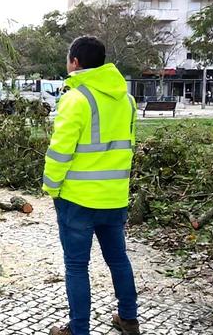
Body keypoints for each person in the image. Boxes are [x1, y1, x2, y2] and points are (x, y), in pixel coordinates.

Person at [43, 36, 140, 335]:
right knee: (118, 259)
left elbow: (60, 151)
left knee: (76, 266)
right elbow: (128, 147)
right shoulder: (127, 100)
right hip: (114, 198)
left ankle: (79, 329)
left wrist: (51, 187)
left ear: (75, 62)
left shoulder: (75, 98)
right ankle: (128, 319)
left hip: (78, 200)